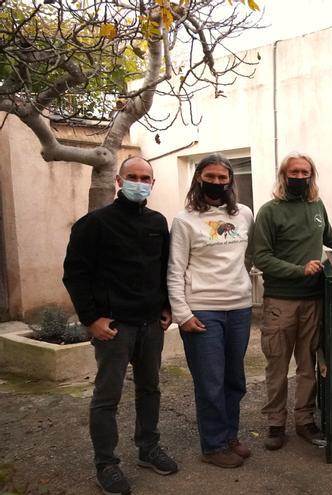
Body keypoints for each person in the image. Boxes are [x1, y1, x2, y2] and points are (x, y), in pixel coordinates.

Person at [63, 156, 178, 495]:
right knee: (106, 397)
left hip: (150, 325)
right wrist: (91, 319)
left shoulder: (157, 222)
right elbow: (75, 274)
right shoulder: (94, 224)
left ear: (152, 185)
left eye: (145, 178)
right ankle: (106, 464)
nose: (139, 182)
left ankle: (148, 447)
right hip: (114, 328)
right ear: (119, 180)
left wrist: (166, 307)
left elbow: (163, 270)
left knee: (150, 389)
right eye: (133, 176)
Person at [252, 151, 332, 450]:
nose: (299, 177)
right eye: (293, 172)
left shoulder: (315, 205)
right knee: (278, 366)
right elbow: (261, 258)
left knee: (308, 365)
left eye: (304, 172)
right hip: (280, 302)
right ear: (283, 176)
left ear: (312, 175)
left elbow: (329, 237)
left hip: (313, 300)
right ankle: (275, 424)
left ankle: (305, 421)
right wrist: (299, 270)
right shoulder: (270, 211)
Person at [167, 154, 254, 469]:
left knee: (235, 380)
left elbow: (248, 256)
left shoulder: (244, 214)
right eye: (211, 177)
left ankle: (230, 436)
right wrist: (183, 314)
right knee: (211, 382)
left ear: (230, 180)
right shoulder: (184, 220)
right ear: (198, 178)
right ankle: (213, 446)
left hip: (240, 308)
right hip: (204, 311)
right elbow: (175, 270)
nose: (217, 182)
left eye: (223, 178)